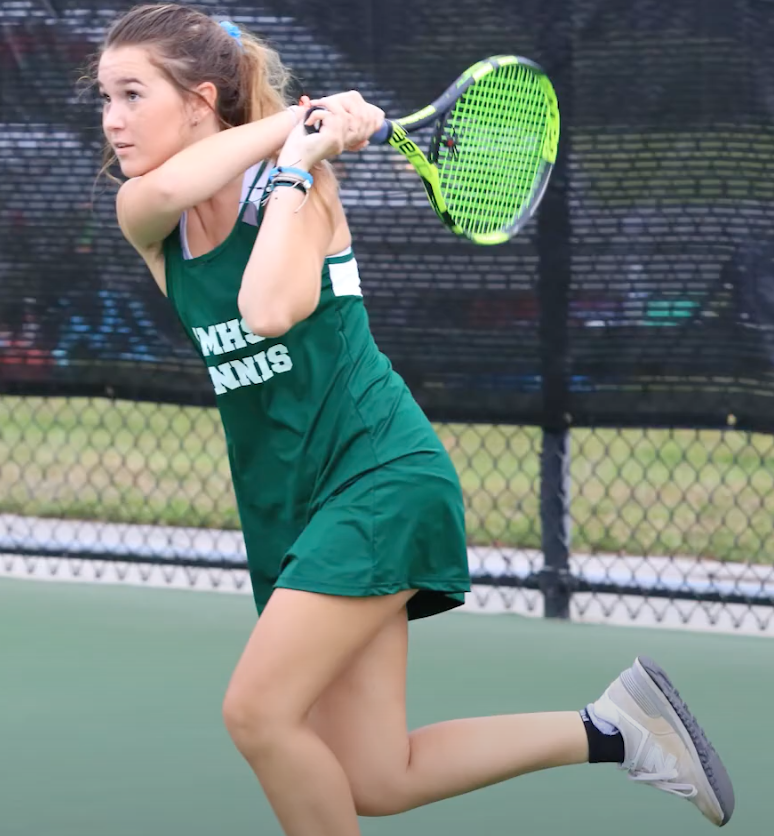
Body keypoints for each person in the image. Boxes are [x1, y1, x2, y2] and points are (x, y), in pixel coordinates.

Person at [95, 4, 735, 834]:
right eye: (105, 98)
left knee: (257, 713)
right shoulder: (149, 213)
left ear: (199, 100)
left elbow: (266, 310)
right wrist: (301, 125)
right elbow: (170, 188)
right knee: (375, 776)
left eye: (132, 94)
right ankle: (616, 731)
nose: (112, 120)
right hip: (287, 504)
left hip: (377, 476)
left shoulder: (300, 192)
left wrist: (298, 163)